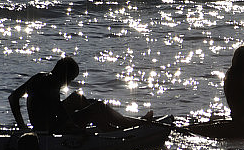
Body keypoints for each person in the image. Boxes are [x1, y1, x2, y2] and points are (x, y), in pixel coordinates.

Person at [8, 57, 153, 133]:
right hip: (51, 129)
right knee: (97, 107)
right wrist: (77, 130)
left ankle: (115, 123)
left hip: (41, 124)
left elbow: (13, 97)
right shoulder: (53, 82)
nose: (68, 83)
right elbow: (61, 114)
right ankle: (126, 126)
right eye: (70, 79)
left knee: (78, 97)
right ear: (65, 76)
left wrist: (22, 125)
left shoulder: (40, 76)